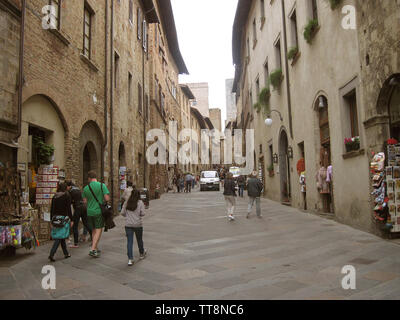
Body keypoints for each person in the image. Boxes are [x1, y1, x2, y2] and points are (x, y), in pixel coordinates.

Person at [82, 171, 111, 258]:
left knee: (94, 229)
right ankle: (92, 248)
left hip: (89, 212)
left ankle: (95, 249)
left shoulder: (86, 188)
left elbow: (85, 201)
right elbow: (107, 198)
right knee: (99, 230)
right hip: (98, 211)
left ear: (89, 178)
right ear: (95, 177)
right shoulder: (102, 186)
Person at [121, 187, 147, 266]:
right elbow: (143, 213)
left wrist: (128, 216)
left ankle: (130, 259)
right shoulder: (140, 203)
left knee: (129, 241)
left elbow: (122, 213)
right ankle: (141, 253)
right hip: (138, 224)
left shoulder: (127, 202)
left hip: (128, 224)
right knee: (139, 240)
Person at [48, 183, 73, 262]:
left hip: (55, 218)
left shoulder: (55, 196)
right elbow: (69, 209)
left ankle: (66, 253)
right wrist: (71, 219)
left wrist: (51, 219)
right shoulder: (67, 195)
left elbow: (52, 209)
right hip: (63, 218)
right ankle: (52, 254)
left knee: (61, 236)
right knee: (59, 237)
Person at [66, 180, 92, 248]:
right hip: (84, 207)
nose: (66, 188)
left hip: (78, 208)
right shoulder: (78, 189)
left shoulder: (71, 192)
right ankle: (93, 237)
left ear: (69, 186)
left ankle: (76, 243)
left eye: (67, 187)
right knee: (86, 223)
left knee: (75, 225)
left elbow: (70, 202)